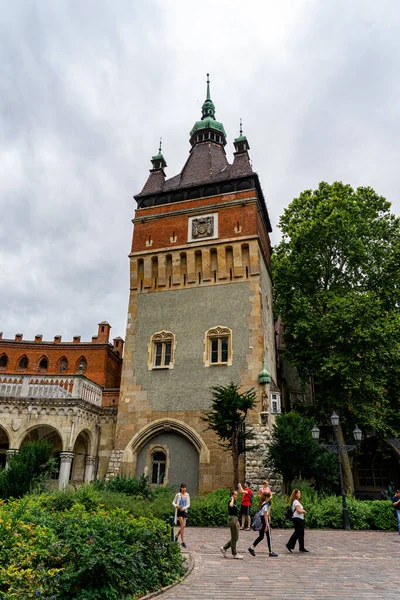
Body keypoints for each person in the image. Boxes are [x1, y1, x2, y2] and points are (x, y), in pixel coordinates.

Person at [247, 492, 278, 557]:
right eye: (269, 497)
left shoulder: (262, 503)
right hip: (264, 522)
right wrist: (267, 525)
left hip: (261, 522)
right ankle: (270, 551)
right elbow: (265, 516)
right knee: (268, 537)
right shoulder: (265, 505)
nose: (270, 499)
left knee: (261, 536)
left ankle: (252, 547)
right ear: (266, 497)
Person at [220, 489, 243, 559]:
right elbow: (230, 506)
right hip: (232, 519)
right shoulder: (231, 501)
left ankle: (224, 548)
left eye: (236, 495)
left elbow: (234, 512)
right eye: (235, 495)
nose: (236, 496)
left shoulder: (235, 503)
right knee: (234, 537)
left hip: (234, 519)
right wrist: (232, 499)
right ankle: (234, 553)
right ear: (232, 495)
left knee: (235, 537)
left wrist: (238, 521)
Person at [285, 488, 309, 553]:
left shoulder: (297, 501)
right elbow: (298, 510)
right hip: (297, 519)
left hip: (300, 518)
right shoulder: (295, 501)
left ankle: (301, 547)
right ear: (295, 494)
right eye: (298, 493)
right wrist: (303, 511)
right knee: (297, 532)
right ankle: (289, 545)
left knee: (301, 533)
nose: (300, 494)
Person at [172, 483, 190, 548]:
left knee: (183, 527)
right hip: (179, 512)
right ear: (180, 488)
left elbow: (188, 504)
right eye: (183, 487)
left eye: (185, 487)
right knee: (182, 525)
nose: (184, 489)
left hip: (184, 511)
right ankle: (182, 542)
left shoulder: (187, 495)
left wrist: (184, 508)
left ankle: (176, 536)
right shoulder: (178, 495)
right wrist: (177, 506)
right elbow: (173, 502)